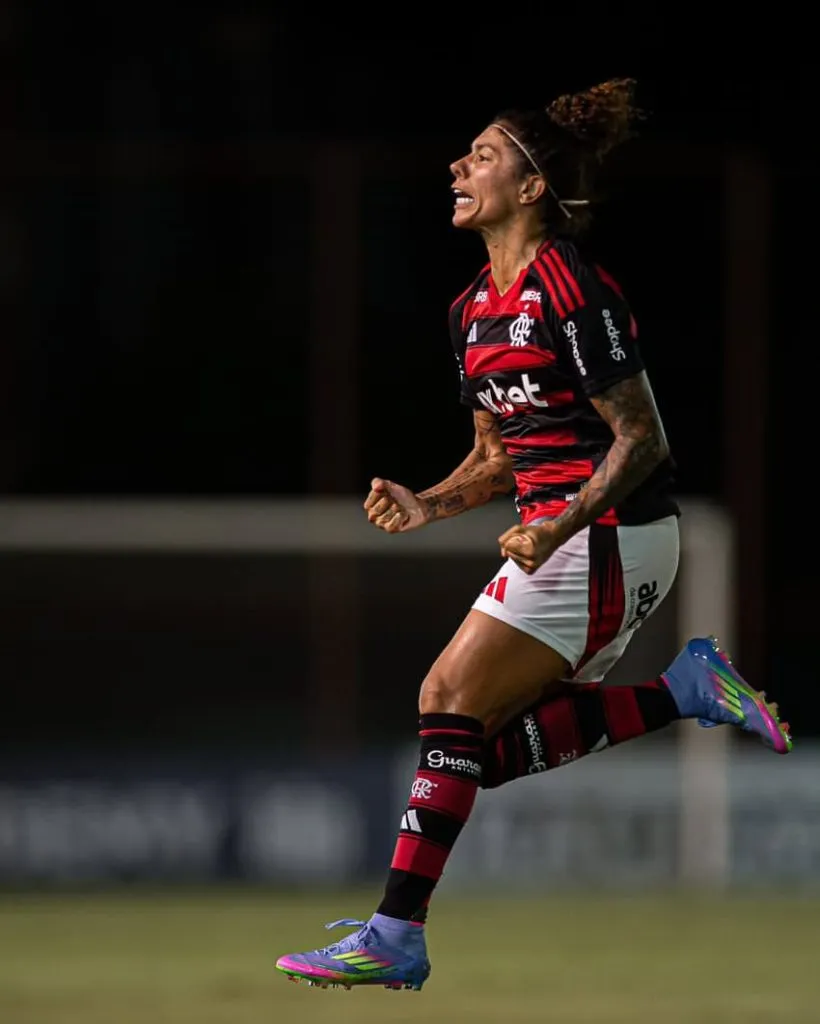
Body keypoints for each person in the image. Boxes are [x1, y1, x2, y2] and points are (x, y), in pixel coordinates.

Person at [275, 78, 792, 993]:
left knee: (447, 696)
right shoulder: (472, 309)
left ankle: (395, 936)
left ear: (531, 186)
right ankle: (684, 689)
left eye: (482, 154)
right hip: (567, 537)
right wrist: (431, 501)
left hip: (612, 534)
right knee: (480, 752)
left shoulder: (574, 290)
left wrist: (560, 521)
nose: (457, 166)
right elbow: (500, 454)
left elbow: (642, 439)